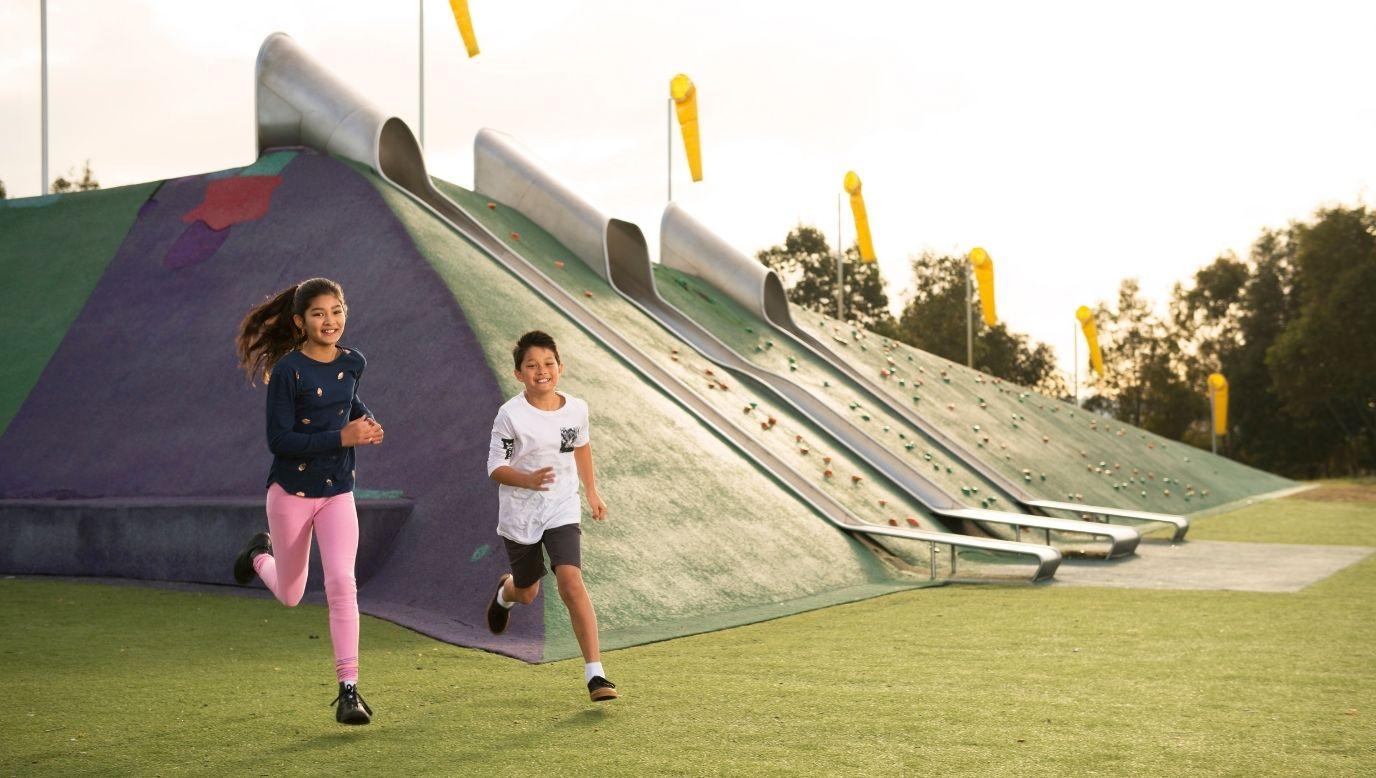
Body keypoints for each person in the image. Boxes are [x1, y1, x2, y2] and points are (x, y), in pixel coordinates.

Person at [230, 277, 384, 725]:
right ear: (300, 322)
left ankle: (349, 690)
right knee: (293, 595)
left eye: (336, 311)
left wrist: (366, 420)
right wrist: (343, 435)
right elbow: (280, 440)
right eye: (318, 313)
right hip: (291, 495)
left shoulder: (354, 362)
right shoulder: (287, 372)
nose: (329, 320)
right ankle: (260, 555)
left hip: (337, 492)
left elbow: (348, 401)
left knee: (341, 583)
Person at [485, 330, 617, 701]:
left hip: (561, 505)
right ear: (519, 374)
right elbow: (495, 466)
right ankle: (505, 592)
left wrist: (591, 492)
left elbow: (581, 445)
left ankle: (596, 674)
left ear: (560, 367)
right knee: (528, 592)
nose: (541, 371)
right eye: (531, 365)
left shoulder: (576, 408)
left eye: (548, 363)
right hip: (520, 513)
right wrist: (526, 480)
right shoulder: (510, 415)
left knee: (571, 580)